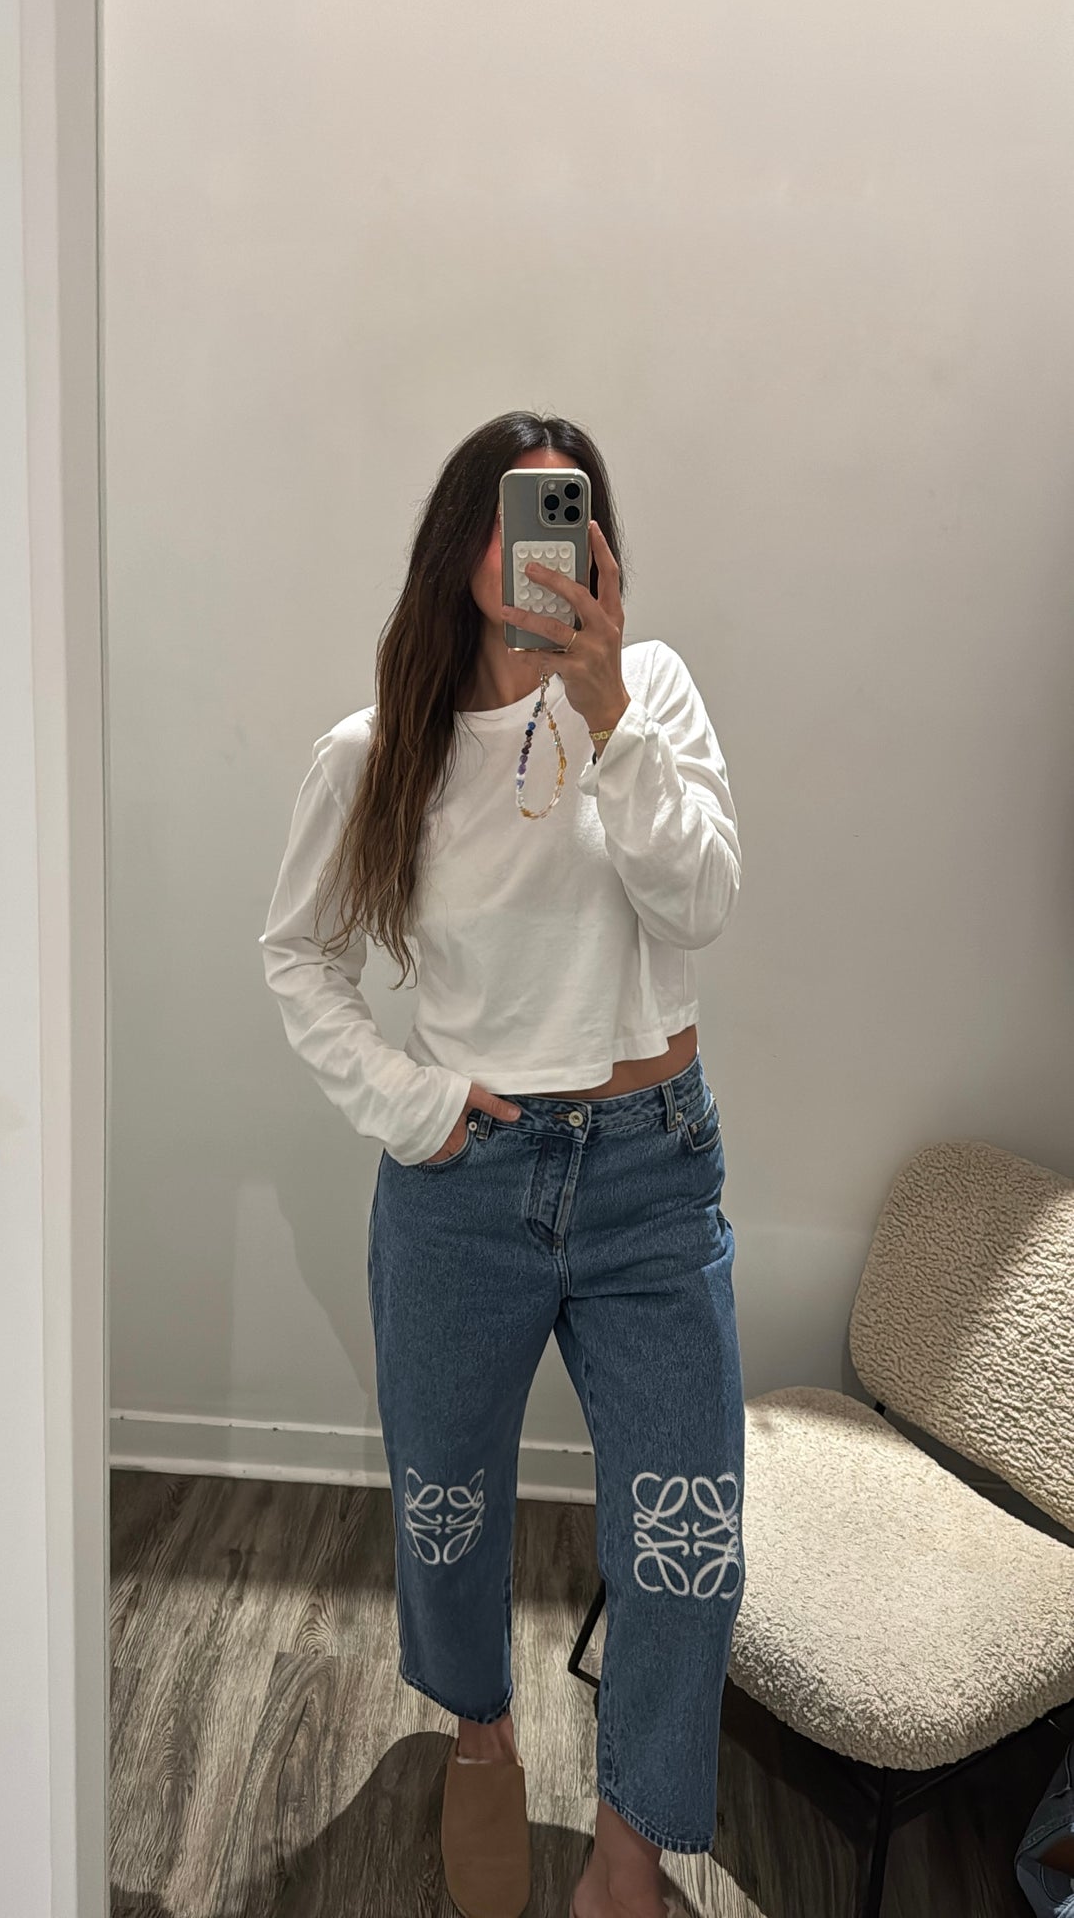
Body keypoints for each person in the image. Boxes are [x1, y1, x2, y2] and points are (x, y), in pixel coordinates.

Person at [258, 410, 747, 1918]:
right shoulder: (377, 752)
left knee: (684, 1535)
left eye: (566, 514)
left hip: (651, 1174)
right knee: (447, 1496)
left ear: (597, 545)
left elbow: (701, 906)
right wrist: (413, 1104)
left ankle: (626, 1851)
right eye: (510, 515)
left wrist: (611, 721)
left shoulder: (649, 692)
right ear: (459, 546)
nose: (538, 548)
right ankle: (480, 1738)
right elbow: (300, 958)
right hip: (466, 1184)